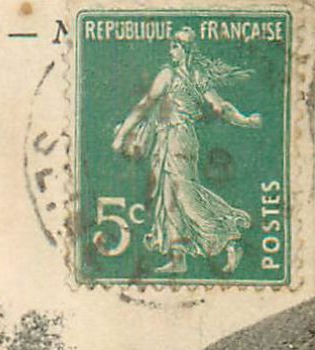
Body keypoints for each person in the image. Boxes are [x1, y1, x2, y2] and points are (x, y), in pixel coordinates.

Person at [111, 27, 263, 275]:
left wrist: (120, 135)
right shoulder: (197, 76)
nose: (171, 50)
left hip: (175, 139)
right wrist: (244, 120)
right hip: (179, 139)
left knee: (185, 197)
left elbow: (144, 105)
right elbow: (220, 106)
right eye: (171, 46)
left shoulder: (168, 75)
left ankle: (230, 239)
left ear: (185, 50)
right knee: (169, 200)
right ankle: (178, 257)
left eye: (175, 46)